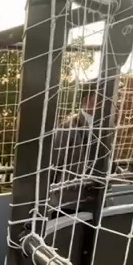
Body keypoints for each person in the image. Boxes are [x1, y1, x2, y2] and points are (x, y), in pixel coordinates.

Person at [49, 81, 110, 213]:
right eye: (101, 97)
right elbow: (54, 164)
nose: (106, 101)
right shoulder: (67, 127)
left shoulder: (108, 128)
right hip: (68, 204)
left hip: (98, 201)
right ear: (87, 100)